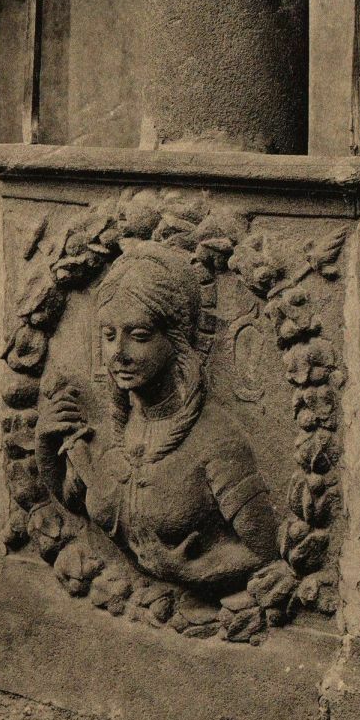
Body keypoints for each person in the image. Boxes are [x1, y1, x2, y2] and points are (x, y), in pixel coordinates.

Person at [35, 241, 278, 597]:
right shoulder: (109, 426)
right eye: (109, 335)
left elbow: (264, 549)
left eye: (139, 336)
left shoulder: (217, 439)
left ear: (176, 341)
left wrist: (191, 571)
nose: (118, 353)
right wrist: (45, 446)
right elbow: (79, 504)